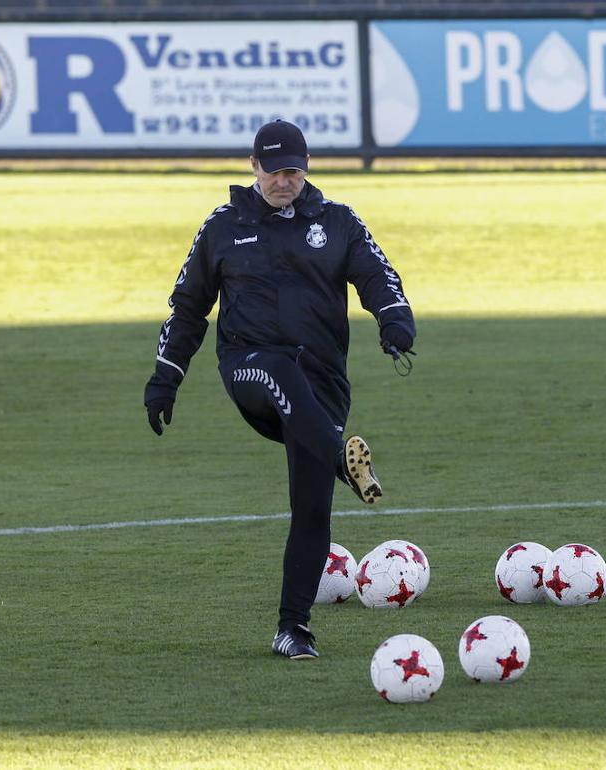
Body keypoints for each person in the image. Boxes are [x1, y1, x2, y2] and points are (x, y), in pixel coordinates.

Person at [143, 119, 416, 661]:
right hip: (249, 368)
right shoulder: (223, 226)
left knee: (313, 510)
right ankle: (343, 459)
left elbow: (377, 273)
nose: (283, 182)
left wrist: (394, 320)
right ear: (254, 168)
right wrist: (165, 376)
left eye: (293, 171)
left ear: (306, 168)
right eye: (273, 172)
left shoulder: (337, 221)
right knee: (278, 372)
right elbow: (189, 306)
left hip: (322, 384)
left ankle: (293, 628)